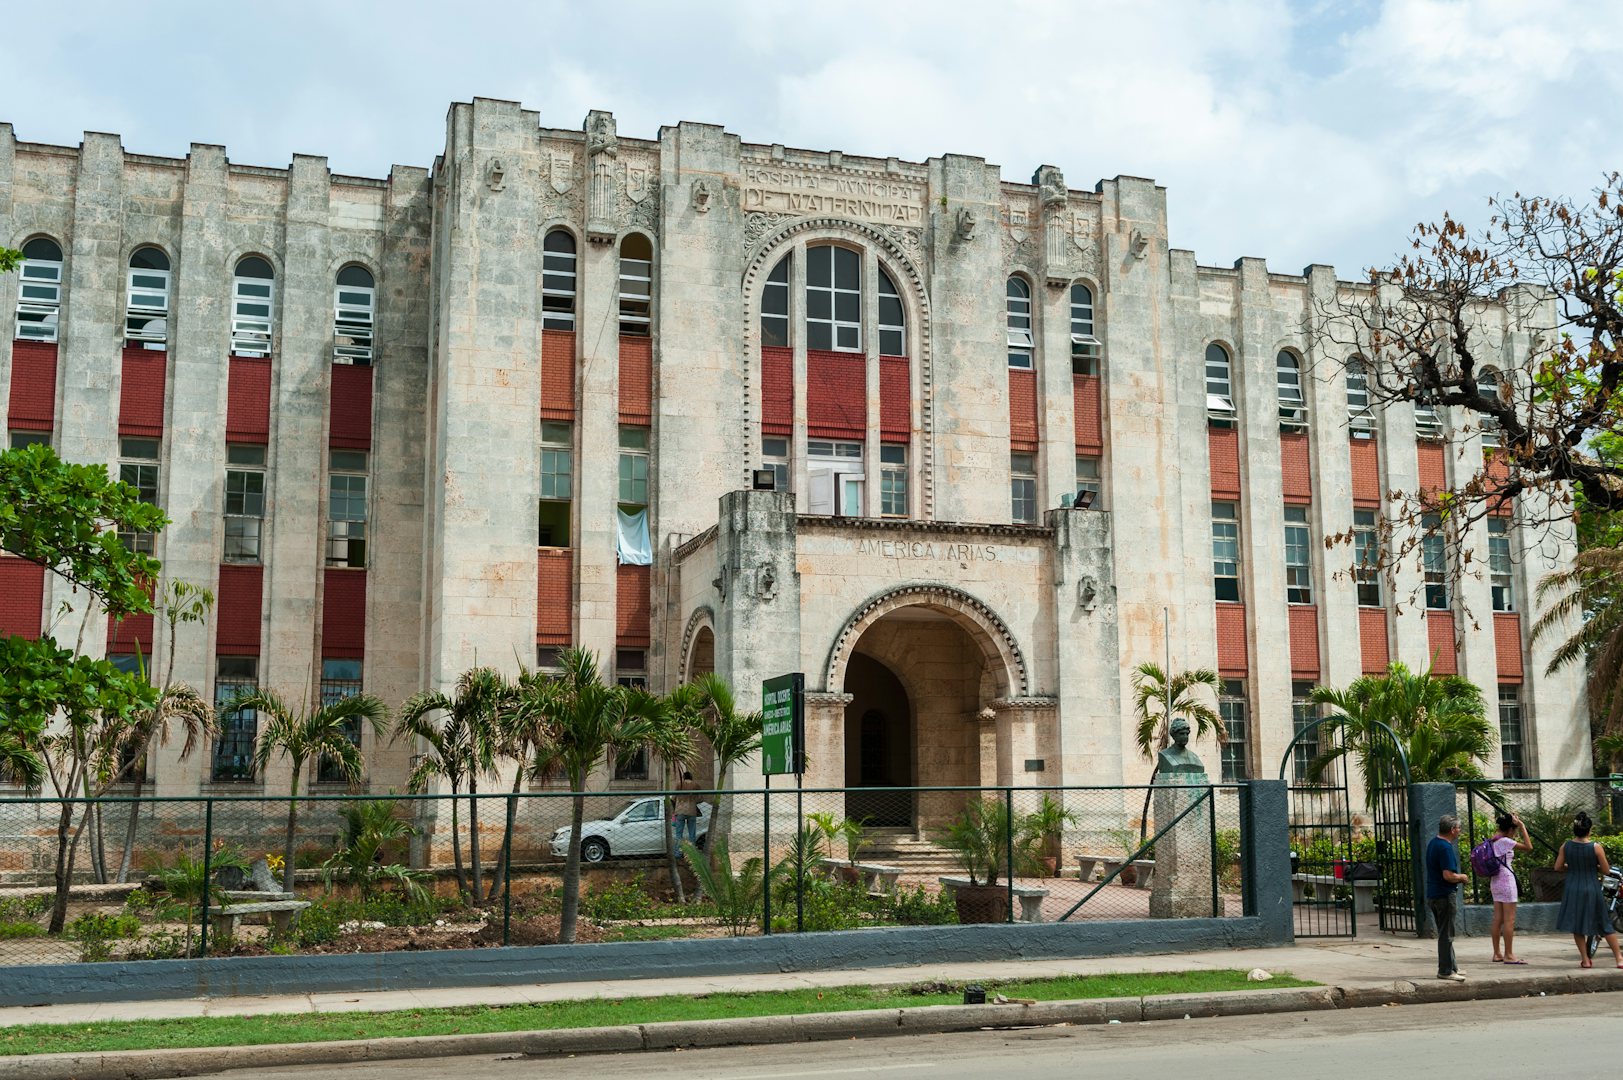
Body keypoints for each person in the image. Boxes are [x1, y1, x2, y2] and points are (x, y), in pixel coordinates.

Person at [1553, 811, 1623, 969]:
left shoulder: (1566, 846)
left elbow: (1557, 867)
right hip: (1591, 888)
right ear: (1589, 830)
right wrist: (1593, 866)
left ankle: (1585, 960)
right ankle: (1619, 959)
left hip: (1572, 888)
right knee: (1604, 923)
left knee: (1577, 926)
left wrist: (1571, 866)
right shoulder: (1596, 847)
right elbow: (1605, 870)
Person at [1425, 814, 1470, 981]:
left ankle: (1452, 966)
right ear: (1452, 830)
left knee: (1445, 932)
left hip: (1434, 894)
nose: (1459, 831)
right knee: (1446, 935)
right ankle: (1445, 970)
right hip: (1444, 895)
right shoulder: (1445, 847)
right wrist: (1462, 877)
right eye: (1458, 828)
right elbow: (1448, 875)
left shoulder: (1433, 843)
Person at [1488, 811, 1532, 964]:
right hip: (1506, 881)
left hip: (1495, 881)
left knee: (1498, 919)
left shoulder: (1493, 839)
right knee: (1509, 920)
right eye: (1515, 830)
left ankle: (1497, 953)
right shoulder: (1505, 841)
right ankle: (1509, 955)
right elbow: (1528, 846)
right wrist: (1522, 825)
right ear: (1511, 829)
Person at [672, 771, 701, 846]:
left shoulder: (679, 784)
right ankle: (692, 853)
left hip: (680, 810)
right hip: (691, 810)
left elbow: (673, 798)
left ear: (683, 777)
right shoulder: (696, 785)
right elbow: (700, 798)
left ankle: (678, 853)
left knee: (679, 834)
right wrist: (693, 801)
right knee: (692, 834)